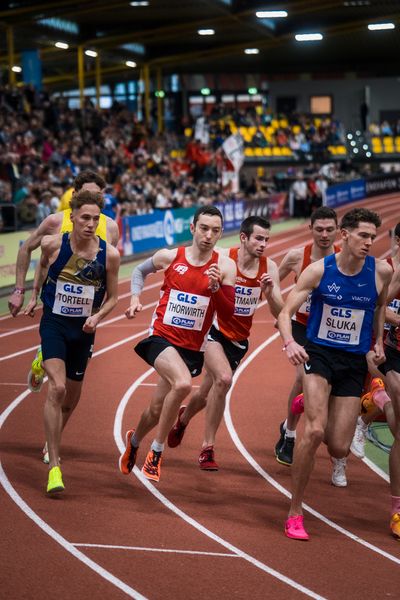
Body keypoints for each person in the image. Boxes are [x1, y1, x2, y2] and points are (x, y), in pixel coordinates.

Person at [277, 207, 391, 540]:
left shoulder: (380, 272)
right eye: (363, 236)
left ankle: (308, 403)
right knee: (312, 432)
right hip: (321, 355)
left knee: (339, 446)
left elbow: (381, 306)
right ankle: (295, 512)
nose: (369, 242)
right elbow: (286, 313)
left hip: (353, 362)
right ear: (345, 235)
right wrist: (289, 343)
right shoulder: (318, 271)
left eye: (373, 237)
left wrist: (380, 340)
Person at [119, 205, 236, 483]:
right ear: (193, 228)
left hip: (192, 347)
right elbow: (138, 272)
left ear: (220, 233)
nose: (209, 235)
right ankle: (156, 453)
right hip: (161, 336)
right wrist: (135, 298)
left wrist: (218, 290)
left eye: (215, 231)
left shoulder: (225, 266)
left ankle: (134, 441)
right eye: (204, 228)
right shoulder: (171, 257)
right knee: (183, 385)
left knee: (157, 408)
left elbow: (229, 312)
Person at [167, 216, 284, 469]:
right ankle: (207, 448)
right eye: (258, 238)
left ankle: (184, 418)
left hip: (239, 341)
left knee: (205, 393)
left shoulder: (269, 267)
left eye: (267, 239)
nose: (263, 244)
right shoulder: (222, 257)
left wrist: (269, 292)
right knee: (224, 379)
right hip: (212, 332)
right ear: (244, 238)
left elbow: (279, 311)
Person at [23, 190, 120, 493]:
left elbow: (114, 297)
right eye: (85, 218)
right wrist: (35, 294)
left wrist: (98, 317)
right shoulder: (54, 244)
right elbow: (40, 265)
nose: (90, 224)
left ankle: (41, 365)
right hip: (54, 324)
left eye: (95, 219)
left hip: (84, 331)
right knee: (58, 388)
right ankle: (54, 466)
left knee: (72, 398)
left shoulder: (110, 255)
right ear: (73, 217)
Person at [275, 207, 339, 469]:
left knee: (327, 387)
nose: (324, 235)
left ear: (338, 231)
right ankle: (289, 434)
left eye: (329, 230)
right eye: (319, 229)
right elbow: (272, 284)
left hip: (329, 329)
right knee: (302, 377)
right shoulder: (295, 257)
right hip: (302, 326)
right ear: (310, 229)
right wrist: (281, 311)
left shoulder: (343, 258)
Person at [8, 170, 119, 318]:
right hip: (54, 305)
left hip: (86, 312)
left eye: (97, 196)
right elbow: (26, 248)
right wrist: (20, 290)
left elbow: (107, 269)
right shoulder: (55, 222)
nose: (91, 200)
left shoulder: (110, 227)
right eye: (86, 194)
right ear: (74, 195)